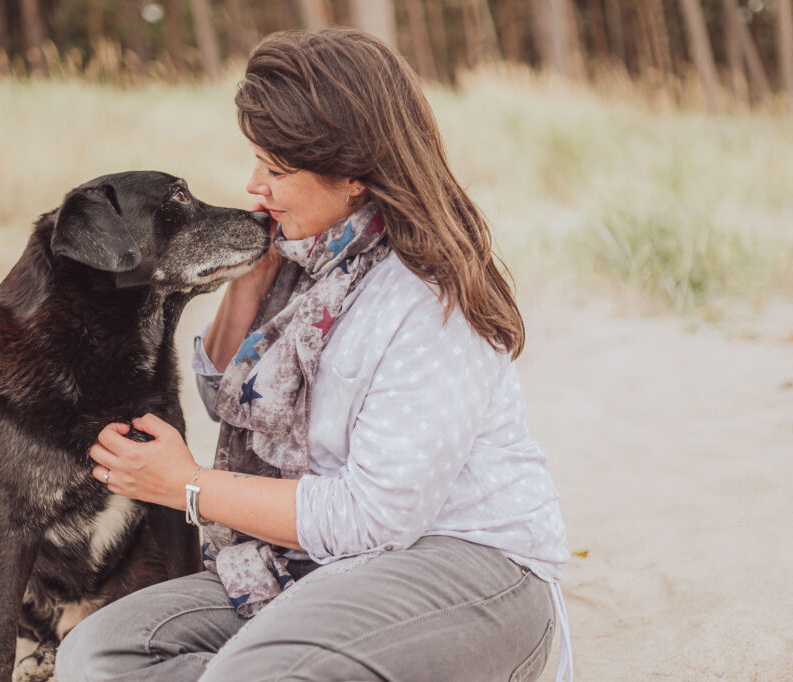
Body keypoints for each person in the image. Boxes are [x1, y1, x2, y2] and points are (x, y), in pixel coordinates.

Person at [56, 28, 571, 682]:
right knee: (97, 656)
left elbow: (373, 518)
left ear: (354, 173)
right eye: (256, 161)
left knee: (245, 676)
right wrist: (251, 276)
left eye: (276, 170)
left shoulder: (426, 298)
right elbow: (227, 398)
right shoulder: (310, 253)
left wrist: (188, 486)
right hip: (309, 564)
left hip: (465, 568)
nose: (254, 185)